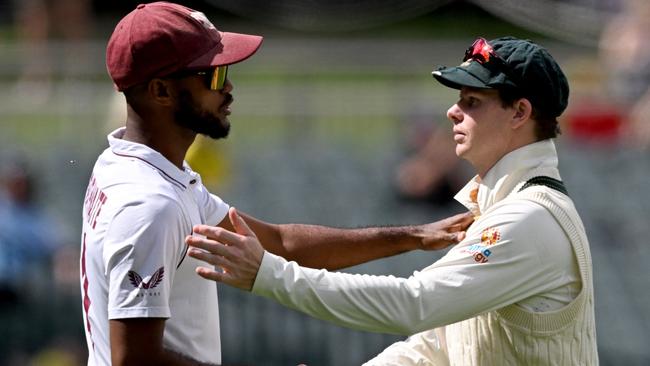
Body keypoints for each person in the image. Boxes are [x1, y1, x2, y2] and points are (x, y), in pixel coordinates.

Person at [80, 2, 473, 365]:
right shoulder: (150, 205)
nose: (228, 88)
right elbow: (133, 360)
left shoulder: (130, 166)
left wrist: (413, 235)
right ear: (161, 91)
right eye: (214, 75)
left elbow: (282, 244)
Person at [186, 36, 599, 365]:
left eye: (471, 102)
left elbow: (414, 304)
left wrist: (269, 273)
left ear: (519, 112)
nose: (452, 112)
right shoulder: (506, 209)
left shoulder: (528, 218)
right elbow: (437, 347)